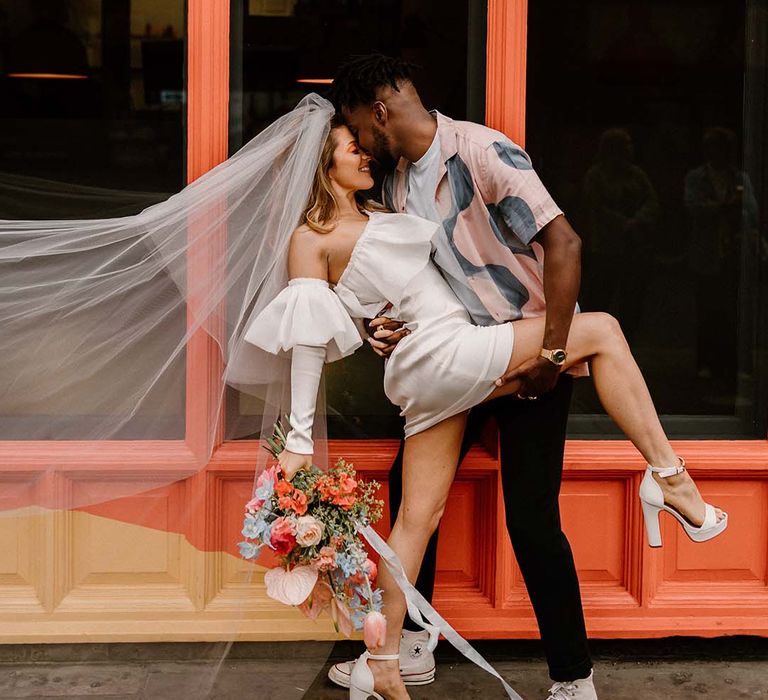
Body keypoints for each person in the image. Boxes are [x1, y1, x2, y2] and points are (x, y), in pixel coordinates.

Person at [245, 101, 728, 700]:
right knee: (600, 331)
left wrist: (379, 323)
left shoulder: (385, 203)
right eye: (351, 148)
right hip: (446, 354)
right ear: (324, 168)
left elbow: (394, 291)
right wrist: (295, 440)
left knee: (416, 521)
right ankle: (670, 477)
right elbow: (309, 342)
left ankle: (385, 659)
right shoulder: (309, 238)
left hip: (436, 368)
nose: (366, 152)